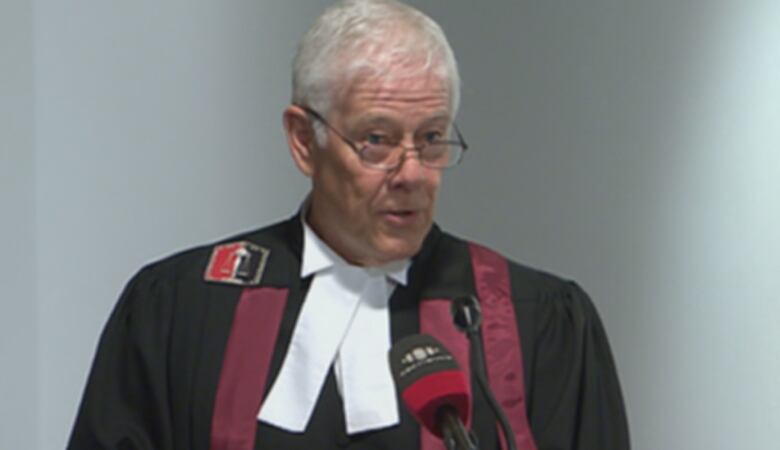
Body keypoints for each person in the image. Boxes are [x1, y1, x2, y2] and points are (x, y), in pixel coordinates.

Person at [68, 1, 630, 449]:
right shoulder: (182, 309)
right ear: (302, 140)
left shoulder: (536, 322)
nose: (412, 172)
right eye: (377, 140)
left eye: (431, 137)